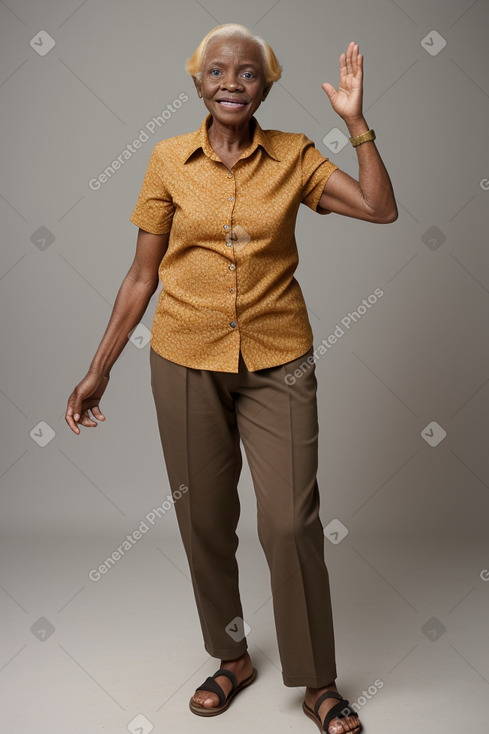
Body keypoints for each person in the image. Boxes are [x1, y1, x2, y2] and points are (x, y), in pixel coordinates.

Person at [65, 23, 397, 734]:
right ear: (196, 83)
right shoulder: (165, 161)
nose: (230, 83)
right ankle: (230, 656)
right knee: (205, 521)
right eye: (216, 71)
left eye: (246, 74)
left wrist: (356, 124)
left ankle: (318, 682)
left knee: (288, 522)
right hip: (184, 359)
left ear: (265, 87)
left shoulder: (294, 157)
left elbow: (379, 208)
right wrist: (99, 370)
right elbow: (141, 275)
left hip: (279, 359)